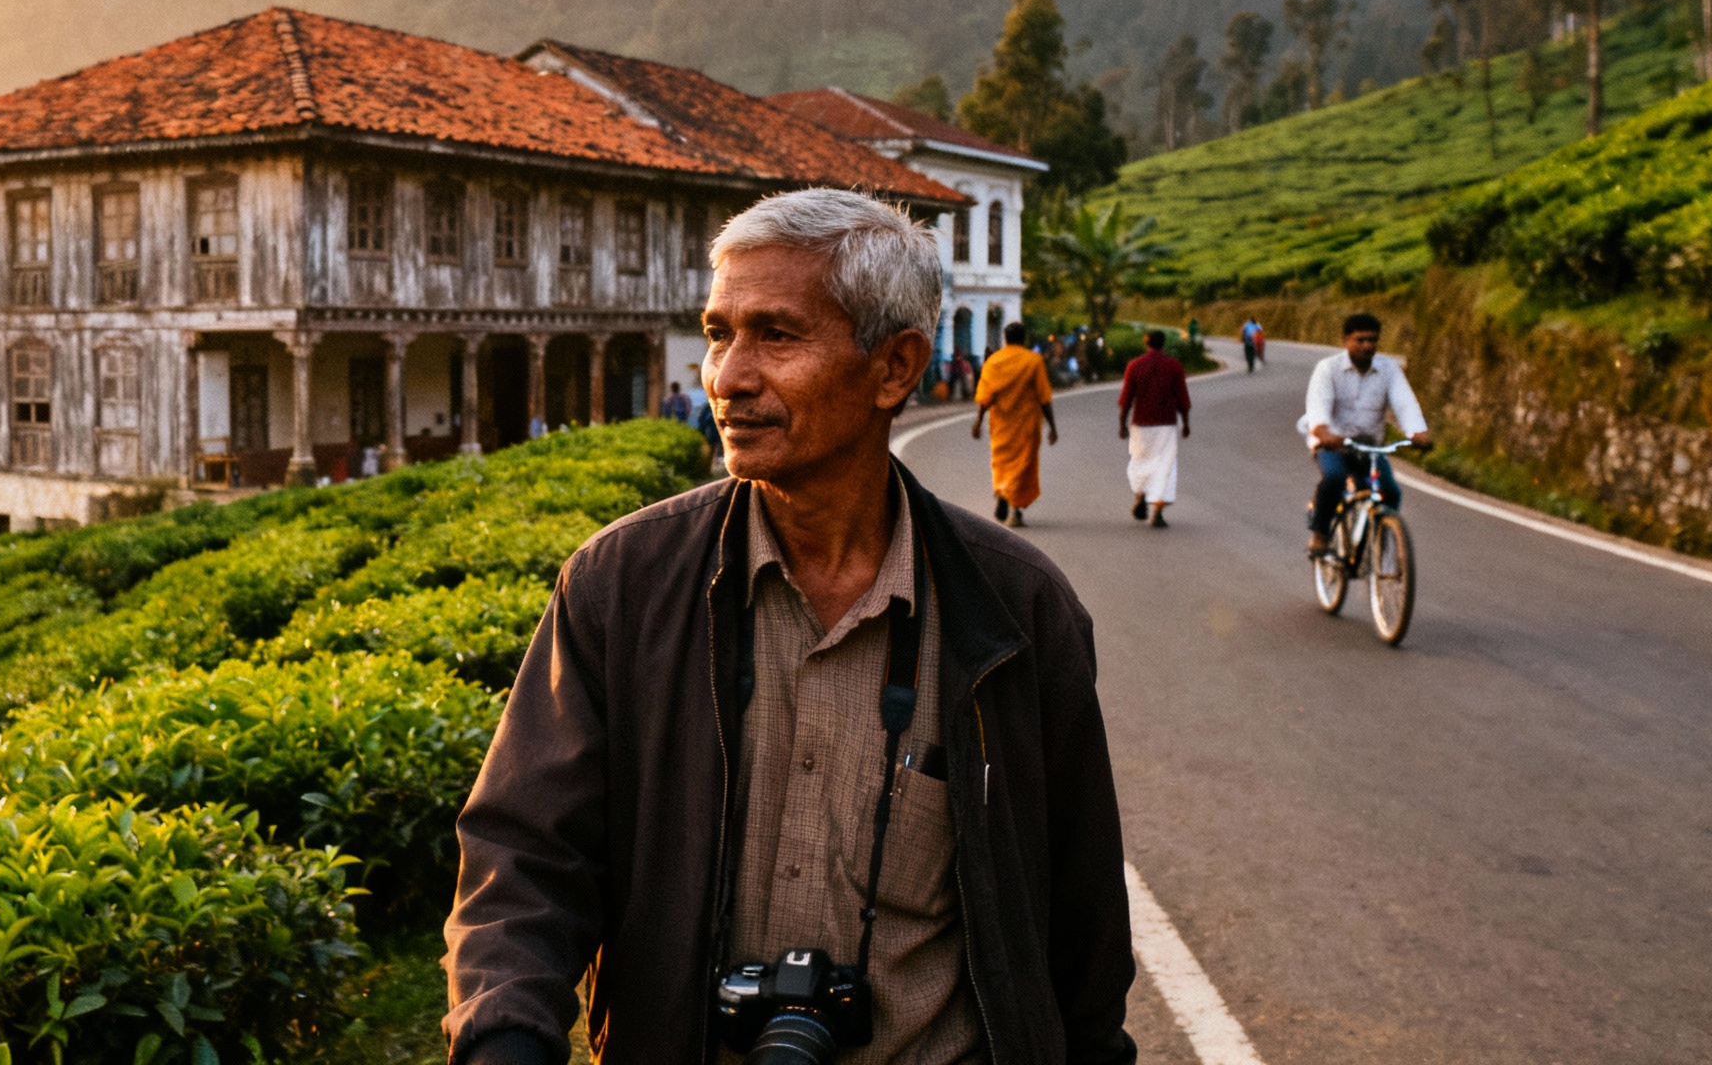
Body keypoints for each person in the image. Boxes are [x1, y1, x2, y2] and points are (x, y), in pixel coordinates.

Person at [443, 188, 1135, 1065]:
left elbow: (1082, 926)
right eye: (719, 332)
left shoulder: (1017, 611)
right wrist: (505, 1036)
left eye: (776, 335)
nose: (728, 377)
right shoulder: (623, 586)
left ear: (895, 367)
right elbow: (524, 856)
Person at [1300, 311, 1431, 556]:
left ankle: (1380, 539)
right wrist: (1323, 433)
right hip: (1334, 444)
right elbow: (1318, 406)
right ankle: (1319, 534)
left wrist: (1417, 432)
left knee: (1389, 491)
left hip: (1369, 448)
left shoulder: (1388, 369)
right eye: (1360, 340)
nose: (1367, 345)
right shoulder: (1328, 369)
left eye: (1372, 340)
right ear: (1345, 340)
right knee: (1335, 479)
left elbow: (1404, 403)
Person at [974, 321, 1058, 527]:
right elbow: (1044, 397)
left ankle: (1002, 492)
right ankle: (1016, 510)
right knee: (1023, 467)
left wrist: (978, 421)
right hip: (1027, 424)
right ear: (1024, 338)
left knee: (1001, 462)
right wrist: (1053, 426)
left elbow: (985, 397)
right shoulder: (1033, 361)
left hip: (1001, 424)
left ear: (1005, 338)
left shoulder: (994, 362)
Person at [1117, 329, 1192, 528]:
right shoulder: (1173, 366)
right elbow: (1182, 398)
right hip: (1166, 424)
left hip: (1141, 424)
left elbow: (1126, 398)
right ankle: (1157, 510)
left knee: (1141, 461)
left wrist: (1122, 423)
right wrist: (1185, 422)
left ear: (1146, 342)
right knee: (1164, 466)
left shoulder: (1134, 366)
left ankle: (1141, 494)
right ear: (1163, 343)